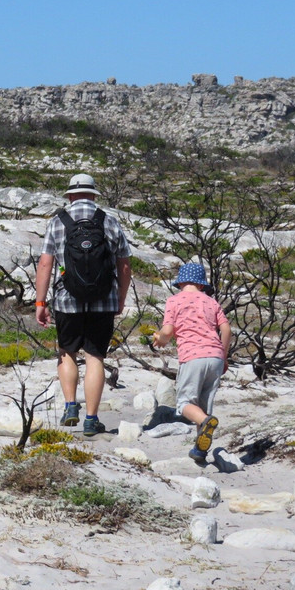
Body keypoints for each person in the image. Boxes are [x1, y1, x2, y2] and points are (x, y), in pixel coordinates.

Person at [35, 173, 132, 437]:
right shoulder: (109, 221)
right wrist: (120, 298)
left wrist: (41, 302)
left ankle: (69, 406)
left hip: (68, 299)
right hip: (103, 300)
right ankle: (91, 419)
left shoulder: (58, 222)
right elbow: (124, 265)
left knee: (67, 351)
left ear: (69, 196)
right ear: (93, 195)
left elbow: (46, 264)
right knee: (95, 357)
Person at [151, 262, 231, 465]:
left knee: (185, 404)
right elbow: (227, 329)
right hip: (214, 357)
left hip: (192, 357)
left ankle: (205, 423)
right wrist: (223, 356)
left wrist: (160, 338)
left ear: (180, 284)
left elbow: (168, 332)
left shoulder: (174, 301)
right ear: (201, 285)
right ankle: (200, 449)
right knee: (203, 405)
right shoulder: (211, 302)